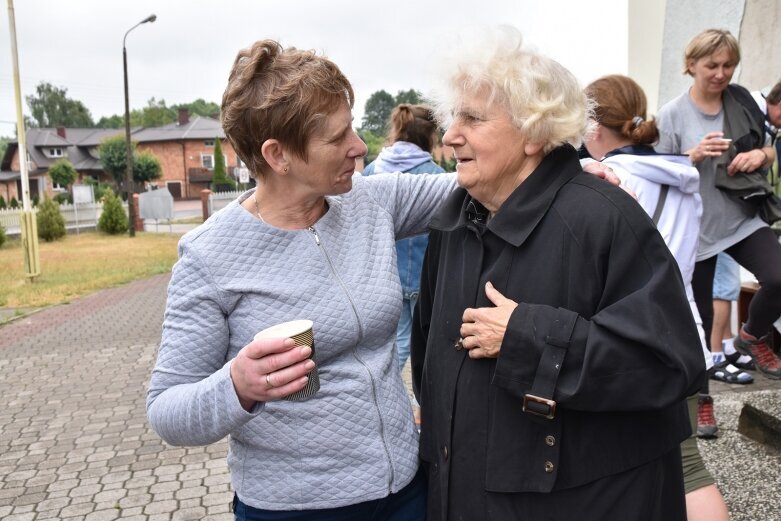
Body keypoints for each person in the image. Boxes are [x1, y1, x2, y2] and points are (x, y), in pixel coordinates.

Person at [146, 39, 456, 520]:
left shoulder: (371, 203)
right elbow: (167, 410)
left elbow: (471, 185)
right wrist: (238, 385)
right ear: (277, 155)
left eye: (352, 126)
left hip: (404, 491)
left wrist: (575, 172)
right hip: (293, 508)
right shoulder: (210, 256)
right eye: (337, 138)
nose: (360, 147)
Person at [411, 27, 705, 521]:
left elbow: (670, 365)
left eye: (473, 118)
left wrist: (528, 337)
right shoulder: (456, 218)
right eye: (452, 116)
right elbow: (428, 352)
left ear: (534, 134)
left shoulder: (603, 218)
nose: (450, 135)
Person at [583, 73, 729, 521]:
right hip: (683, 333)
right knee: (685, 465)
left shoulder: (607, 181)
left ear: (593, 127)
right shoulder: (682, 176)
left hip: (629, 339)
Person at [656, 29, 781, 383]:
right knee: (700, 322)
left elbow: (770, 150)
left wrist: (760, 155)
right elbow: (655, 173)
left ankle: (752, 337)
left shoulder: (741, 101)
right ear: (691, 64)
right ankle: (703, 399)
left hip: (741, 218)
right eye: (712, 65)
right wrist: (691, 156)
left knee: (778, 277)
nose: (721, 74)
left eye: (729, 65)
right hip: (696, 231)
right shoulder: (672, 115)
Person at [363, 104, 445, 372]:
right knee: (429, 345)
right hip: (424, 277)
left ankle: (386, 392)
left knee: (396, 343)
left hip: (386, 276)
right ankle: (425, 405)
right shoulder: (437, 177)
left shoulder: (373, 170)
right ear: (428, 136)